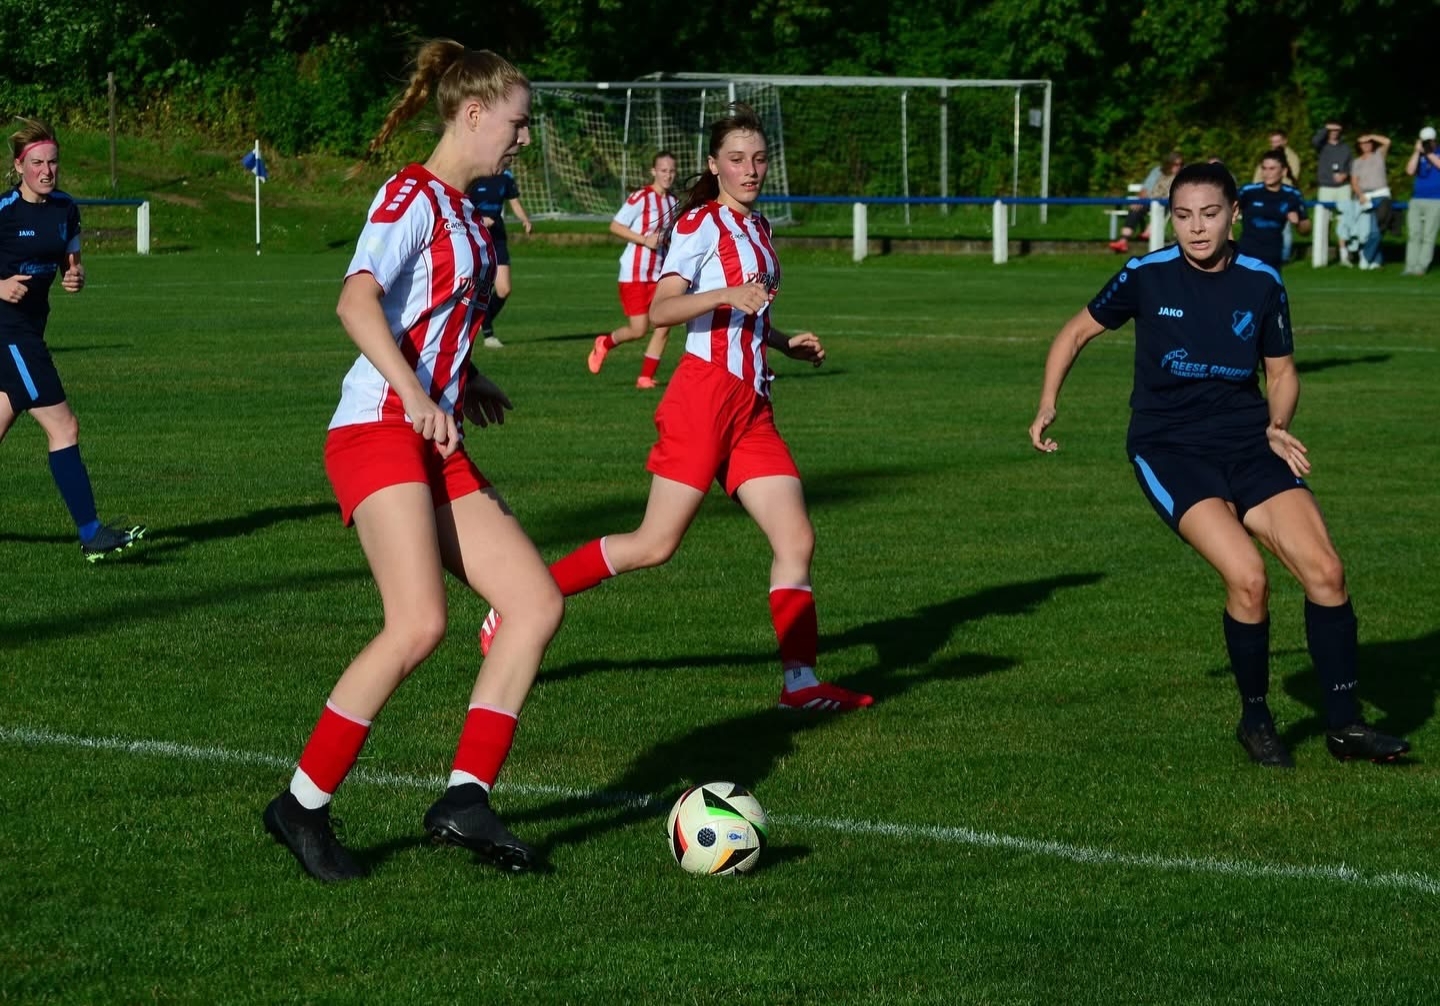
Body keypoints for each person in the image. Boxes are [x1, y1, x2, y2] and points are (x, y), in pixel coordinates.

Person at [263, 40, 564, 883]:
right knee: (418, 624)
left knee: (534, 603)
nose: (523, 139)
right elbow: (355, 303)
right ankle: (301, 806)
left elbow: (425, 322)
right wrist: (419, 394)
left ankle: (465, 800)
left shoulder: (468, 213)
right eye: (517, 124)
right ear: (473, 114)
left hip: (431, 432)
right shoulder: (412, 196)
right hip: (376, 428)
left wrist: (463, 382)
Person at [480, 104, 872, 714]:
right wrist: (725, 293)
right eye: (736, 160)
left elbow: (745, 313)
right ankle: (519, 601)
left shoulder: (760, 227)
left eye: (758, 159)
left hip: (752, 405)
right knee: (654, 544)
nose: (750, 170)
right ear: (714, 166)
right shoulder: (698, 225)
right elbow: (662, 310)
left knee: (796, 536)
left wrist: (781, 341)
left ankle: (800, 684)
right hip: (703, 397)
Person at [1028, 161, 1410, 769]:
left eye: (1209, 214)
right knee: (1249, 577)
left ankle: (1345, 725)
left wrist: (1277, 425)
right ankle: (1256, 719)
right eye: (1183, 216)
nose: (1197, 228)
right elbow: (1075, 332)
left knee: (1326, 572)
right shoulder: (1146, 274)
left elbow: (1281, 373)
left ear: (1234, 214)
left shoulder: (1262, 280)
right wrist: (1048, 402)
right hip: (1169, 448)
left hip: (1249, 442)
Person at [0, 119, 145, 562]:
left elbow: (72, 264)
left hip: (30, 330)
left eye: (53, 162)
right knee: (64, 427)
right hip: (8, 333)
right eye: (37, 164)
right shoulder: (4, 211)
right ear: (18, 166)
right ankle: (91, 532)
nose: (47, 171)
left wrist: (75, 277)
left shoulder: (65, 208)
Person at [588, 151, 679, 389]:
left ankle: (645, 377)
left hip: (659, 275)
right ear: (653, 171)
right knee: (638, 330)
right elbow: (615, 226)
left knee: (664, 325)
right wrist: (644, 240)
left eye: (672, 171)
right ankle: (605, 343)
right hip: (634, 274)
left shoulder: (674, 202)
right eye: (663, 170)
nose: (668, 175)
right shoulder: (641, 197)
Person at [468, 167, 532, 347]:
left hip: (496, 236)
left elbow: (514, 202)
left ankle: (482, 320)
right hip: (473, 236)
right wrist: (480, 221)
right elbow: (460, 206)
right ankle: (487, 334)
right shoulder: (473, 171)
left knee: (504, 289)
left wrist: (525, 220)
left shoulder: (506, 175)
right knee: (472, 288)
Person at [1236, 150, 1311, 271]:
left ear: (1283, 171)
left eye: (1272, 169)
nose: (1267, 173)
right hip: (1246, 255)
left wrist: (1298, 223)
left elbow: (1306, 229)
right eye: (1264, 168)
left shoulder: (1292, 195)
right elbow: (1224, 213)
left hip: (1272, 257)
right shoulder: (1248, 192)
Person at [1109, 150, 1183, 254]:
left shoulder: (1182, 175)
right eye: (1176, 164)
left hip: (1168, 202)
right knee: (1136, 208)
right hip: (1151, 199)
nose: (1178, 167)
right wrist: (1140, 200)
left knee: (1167, 204)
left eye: (1180, 164)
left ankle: (1148, 232)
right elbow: (1146, 188)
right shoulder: (1157, 171)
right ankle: (1123, 240)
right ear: (1169, 164)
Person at [1251, 129, 1303, 262]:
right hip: (1265, 195)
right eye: (1273, 142)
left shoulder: (1292, 158)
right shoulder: (1267, 157)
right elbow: (1258, 176)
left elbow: (1292, 179)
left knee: (1284, 228)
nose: (1275, 144)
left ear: (1285, 141)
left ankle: (1283, 257)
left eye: (1278, 141)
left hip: (1283, 197)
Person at [1312, 120, 1357, 266]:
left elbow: (1352, 166)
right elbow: (1315, 140)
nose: (1334, 132)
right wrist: (1326, 128)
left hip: (1343, 187)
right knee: (1324, 220)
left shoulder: (1346, 148)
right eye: (1331, 130)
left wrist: (1345, 175)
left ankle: (1344, 256)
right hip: (1326, 187)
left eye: (1337, 130)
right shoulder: (1322, 146)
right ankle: (1321, 256)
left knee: (1344, 220)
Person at [1349, 133, 1392, 269]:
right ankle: (1376, 260)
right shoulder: (1357, 162)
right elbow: (1354, 182)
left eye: (1369, 142)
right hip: (1366, 197)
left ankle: (1366, 255)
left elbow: (1387, 141)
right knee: (1372, 230)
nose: (1366, 145)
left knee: (1379, 228)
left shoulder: (1378, 155)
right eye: (1363, 143)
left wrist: (1371, 136)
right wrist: (1360, 195)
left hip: (1381, 195)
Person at [1403, 126, 1440, 276]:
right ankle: (1410, 266)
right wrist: (1417, 152)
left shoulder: (1436, 152)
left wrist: (1429, 153)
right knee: (1414, 233)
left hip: (1435, 199)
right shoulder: (1419, 155)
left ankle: (1421, 266)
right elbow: (1410, 171)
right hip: (1417, 198)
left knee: (1428, 235)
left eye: (1429, 141)